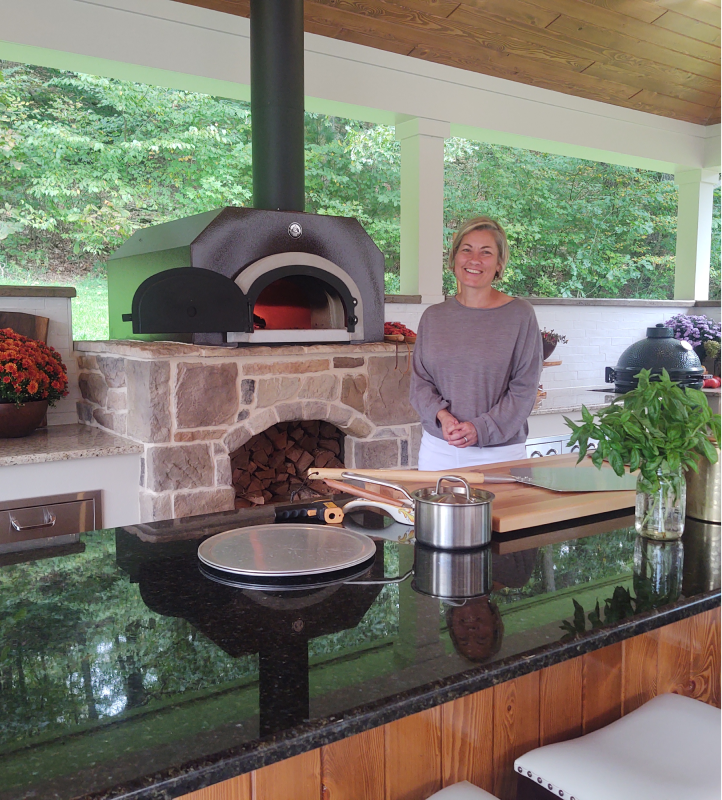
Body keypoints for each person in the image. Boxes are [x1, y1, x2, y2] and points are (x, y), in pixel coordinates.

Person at [410, 216, 543, 469]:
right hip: (439, 449)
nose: (474, 260)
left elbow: (524, 390)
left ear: (499, 263)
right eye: (467, 250)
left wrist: (479, 429)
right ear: (455, 257)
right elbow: (420, 383)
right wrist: (444, 417)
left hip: (499, 454)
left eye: (486, 253)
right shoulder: (433, 317)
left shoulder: (520, 315)